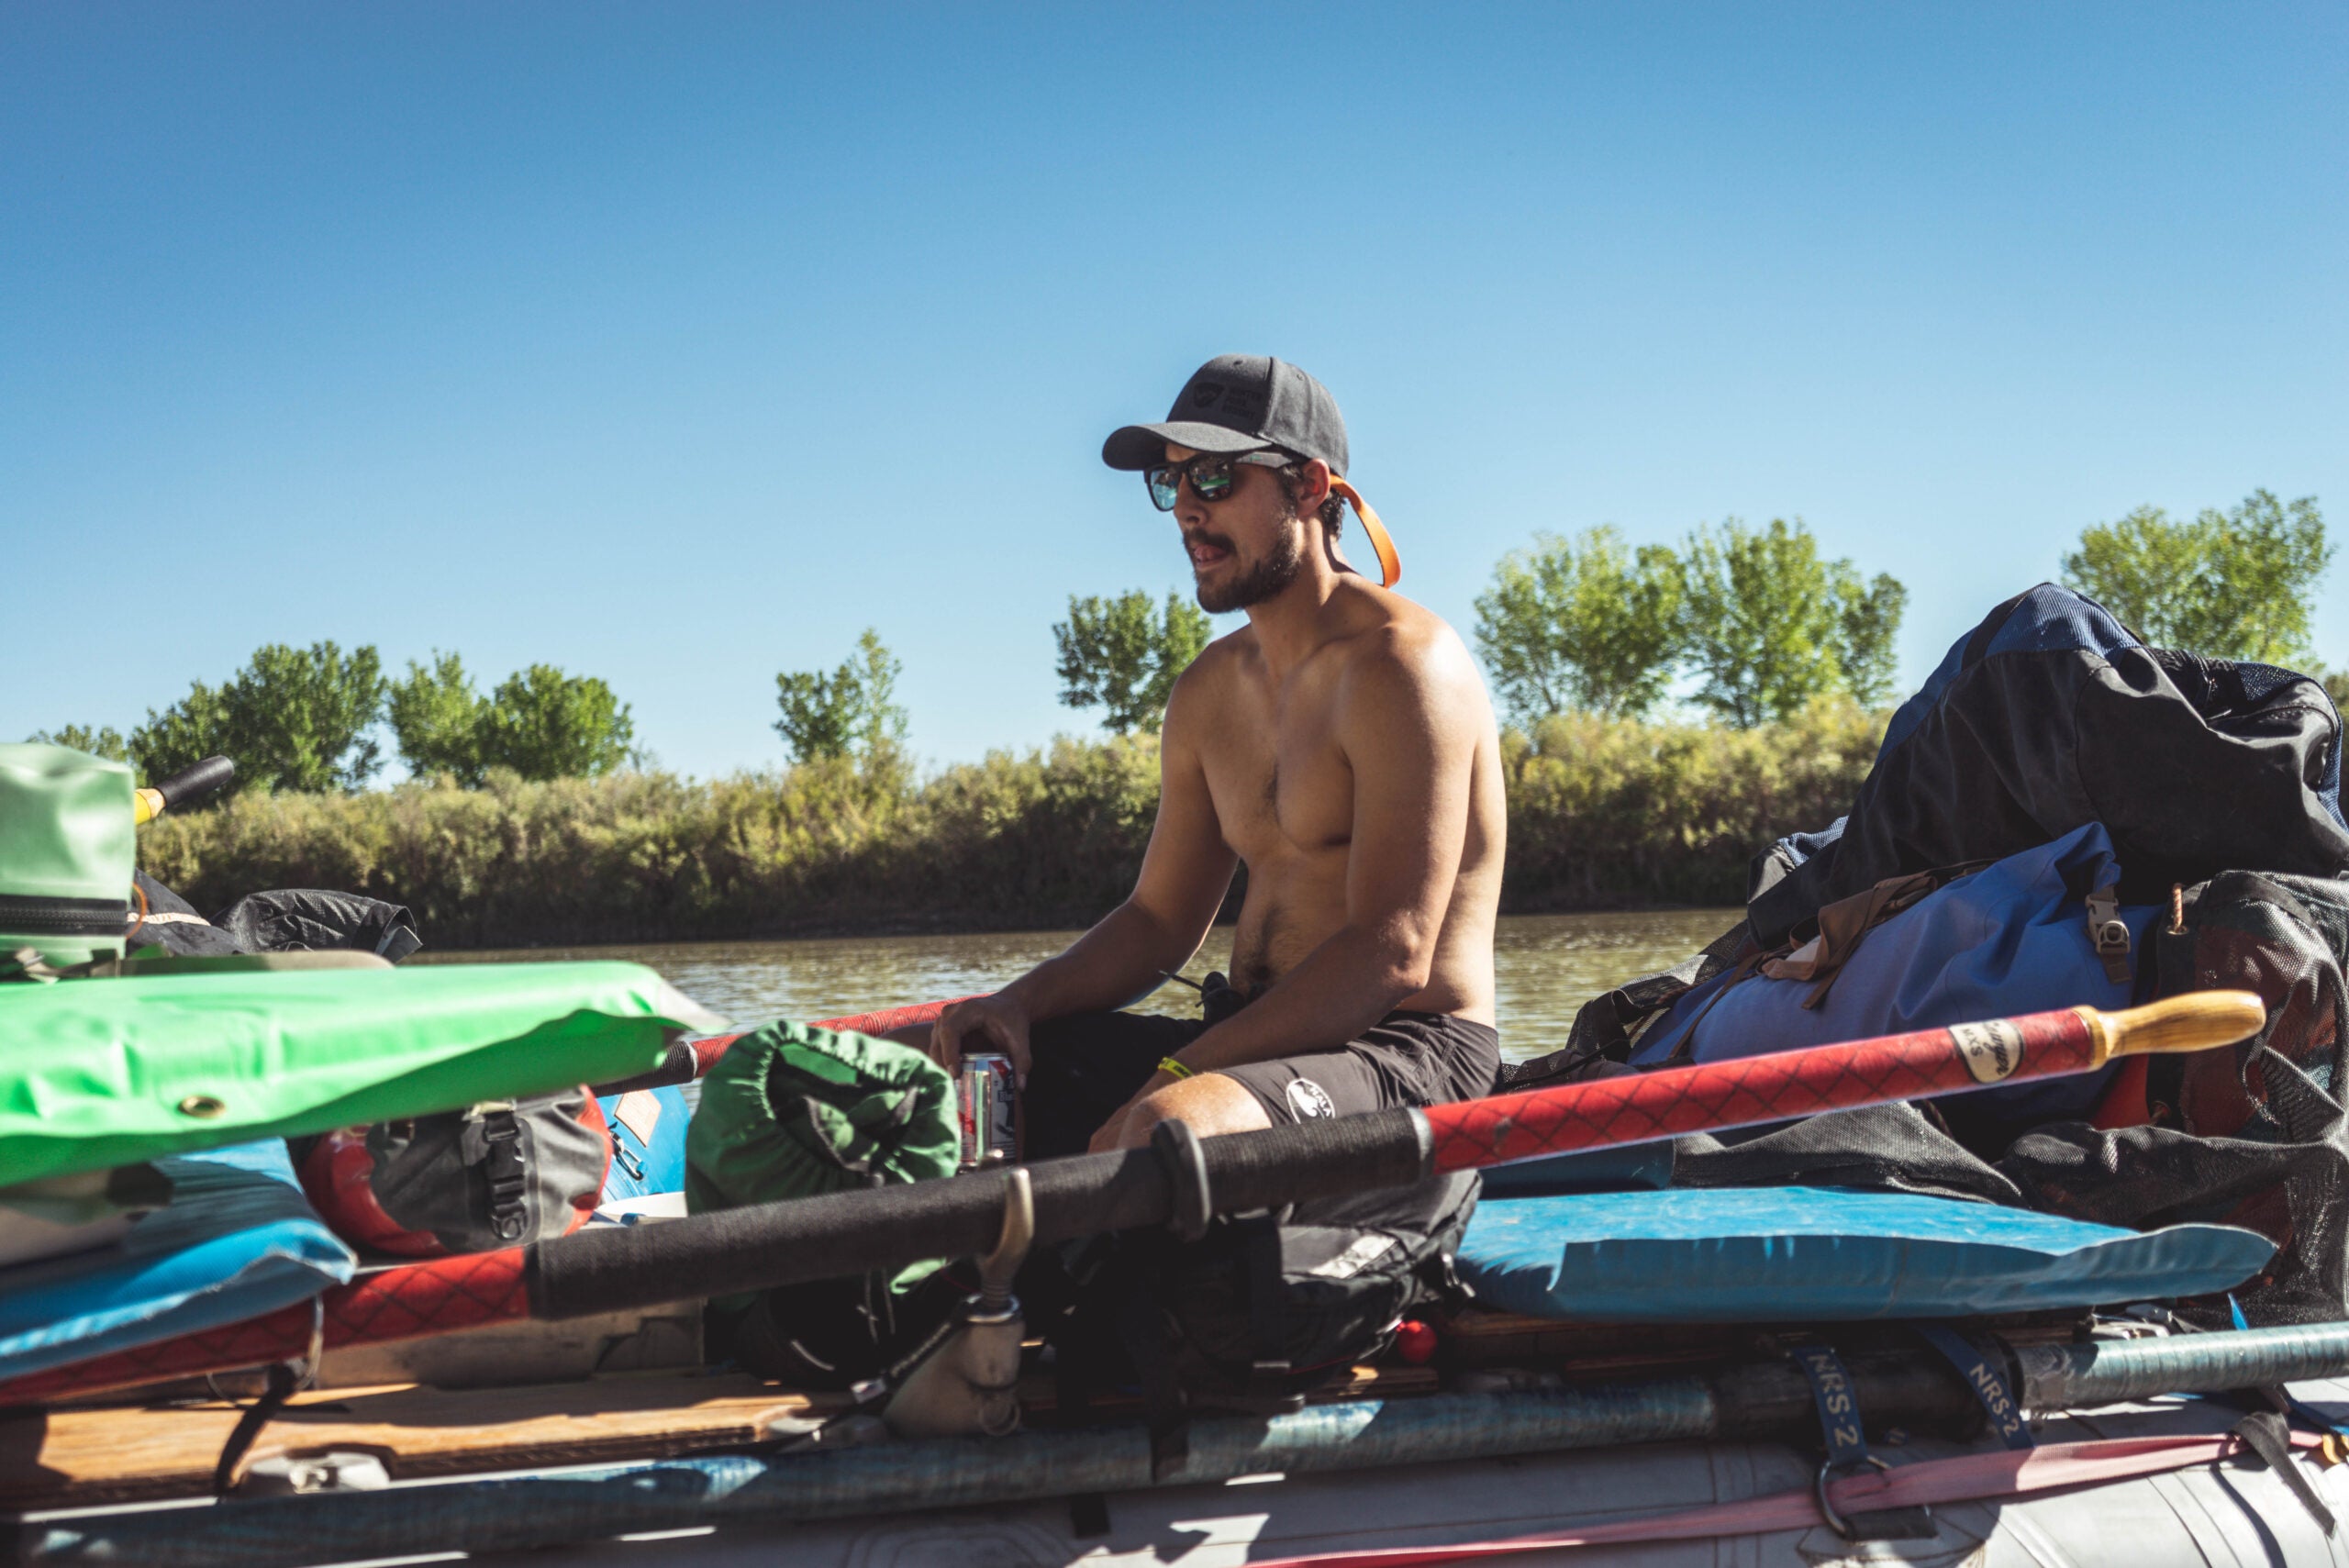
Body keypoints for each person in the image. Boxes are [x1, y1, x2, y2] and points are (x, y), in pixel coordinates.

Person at [928, 354, 1506, 1156]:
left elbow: (1393, 951)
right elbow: (1158, 921)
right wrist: (1018, 1003)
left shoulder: (1403, 666)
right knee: (954, 1072)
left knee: (1169, 1123)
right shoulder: (1208, 691)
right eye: (1170, 482)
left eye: (1214, 477)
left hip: (1407, 1049)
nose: (1185, 509)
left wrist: (1178, 1072)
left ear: (1310, 486)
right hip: (1244, 1035)